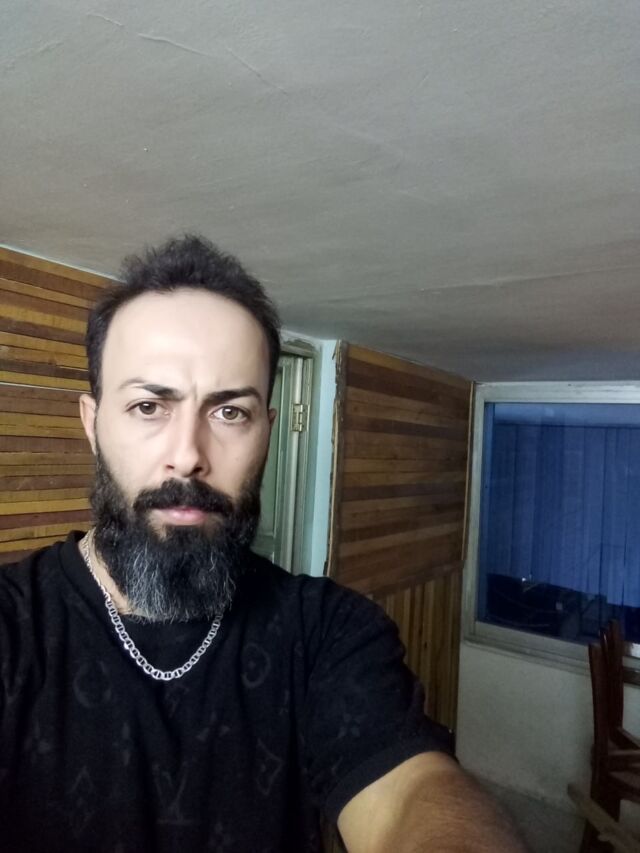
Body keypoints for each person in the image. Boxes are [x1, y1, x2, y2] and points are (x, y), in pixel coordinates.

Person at [0, 235, 525, 852]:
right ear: (93, 425)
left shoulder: (326, 632)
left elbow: (413, 793)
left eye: (230, 413)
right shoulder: (13, 625)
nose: (188, 456)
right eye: (148, 406)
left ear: (268, 431)